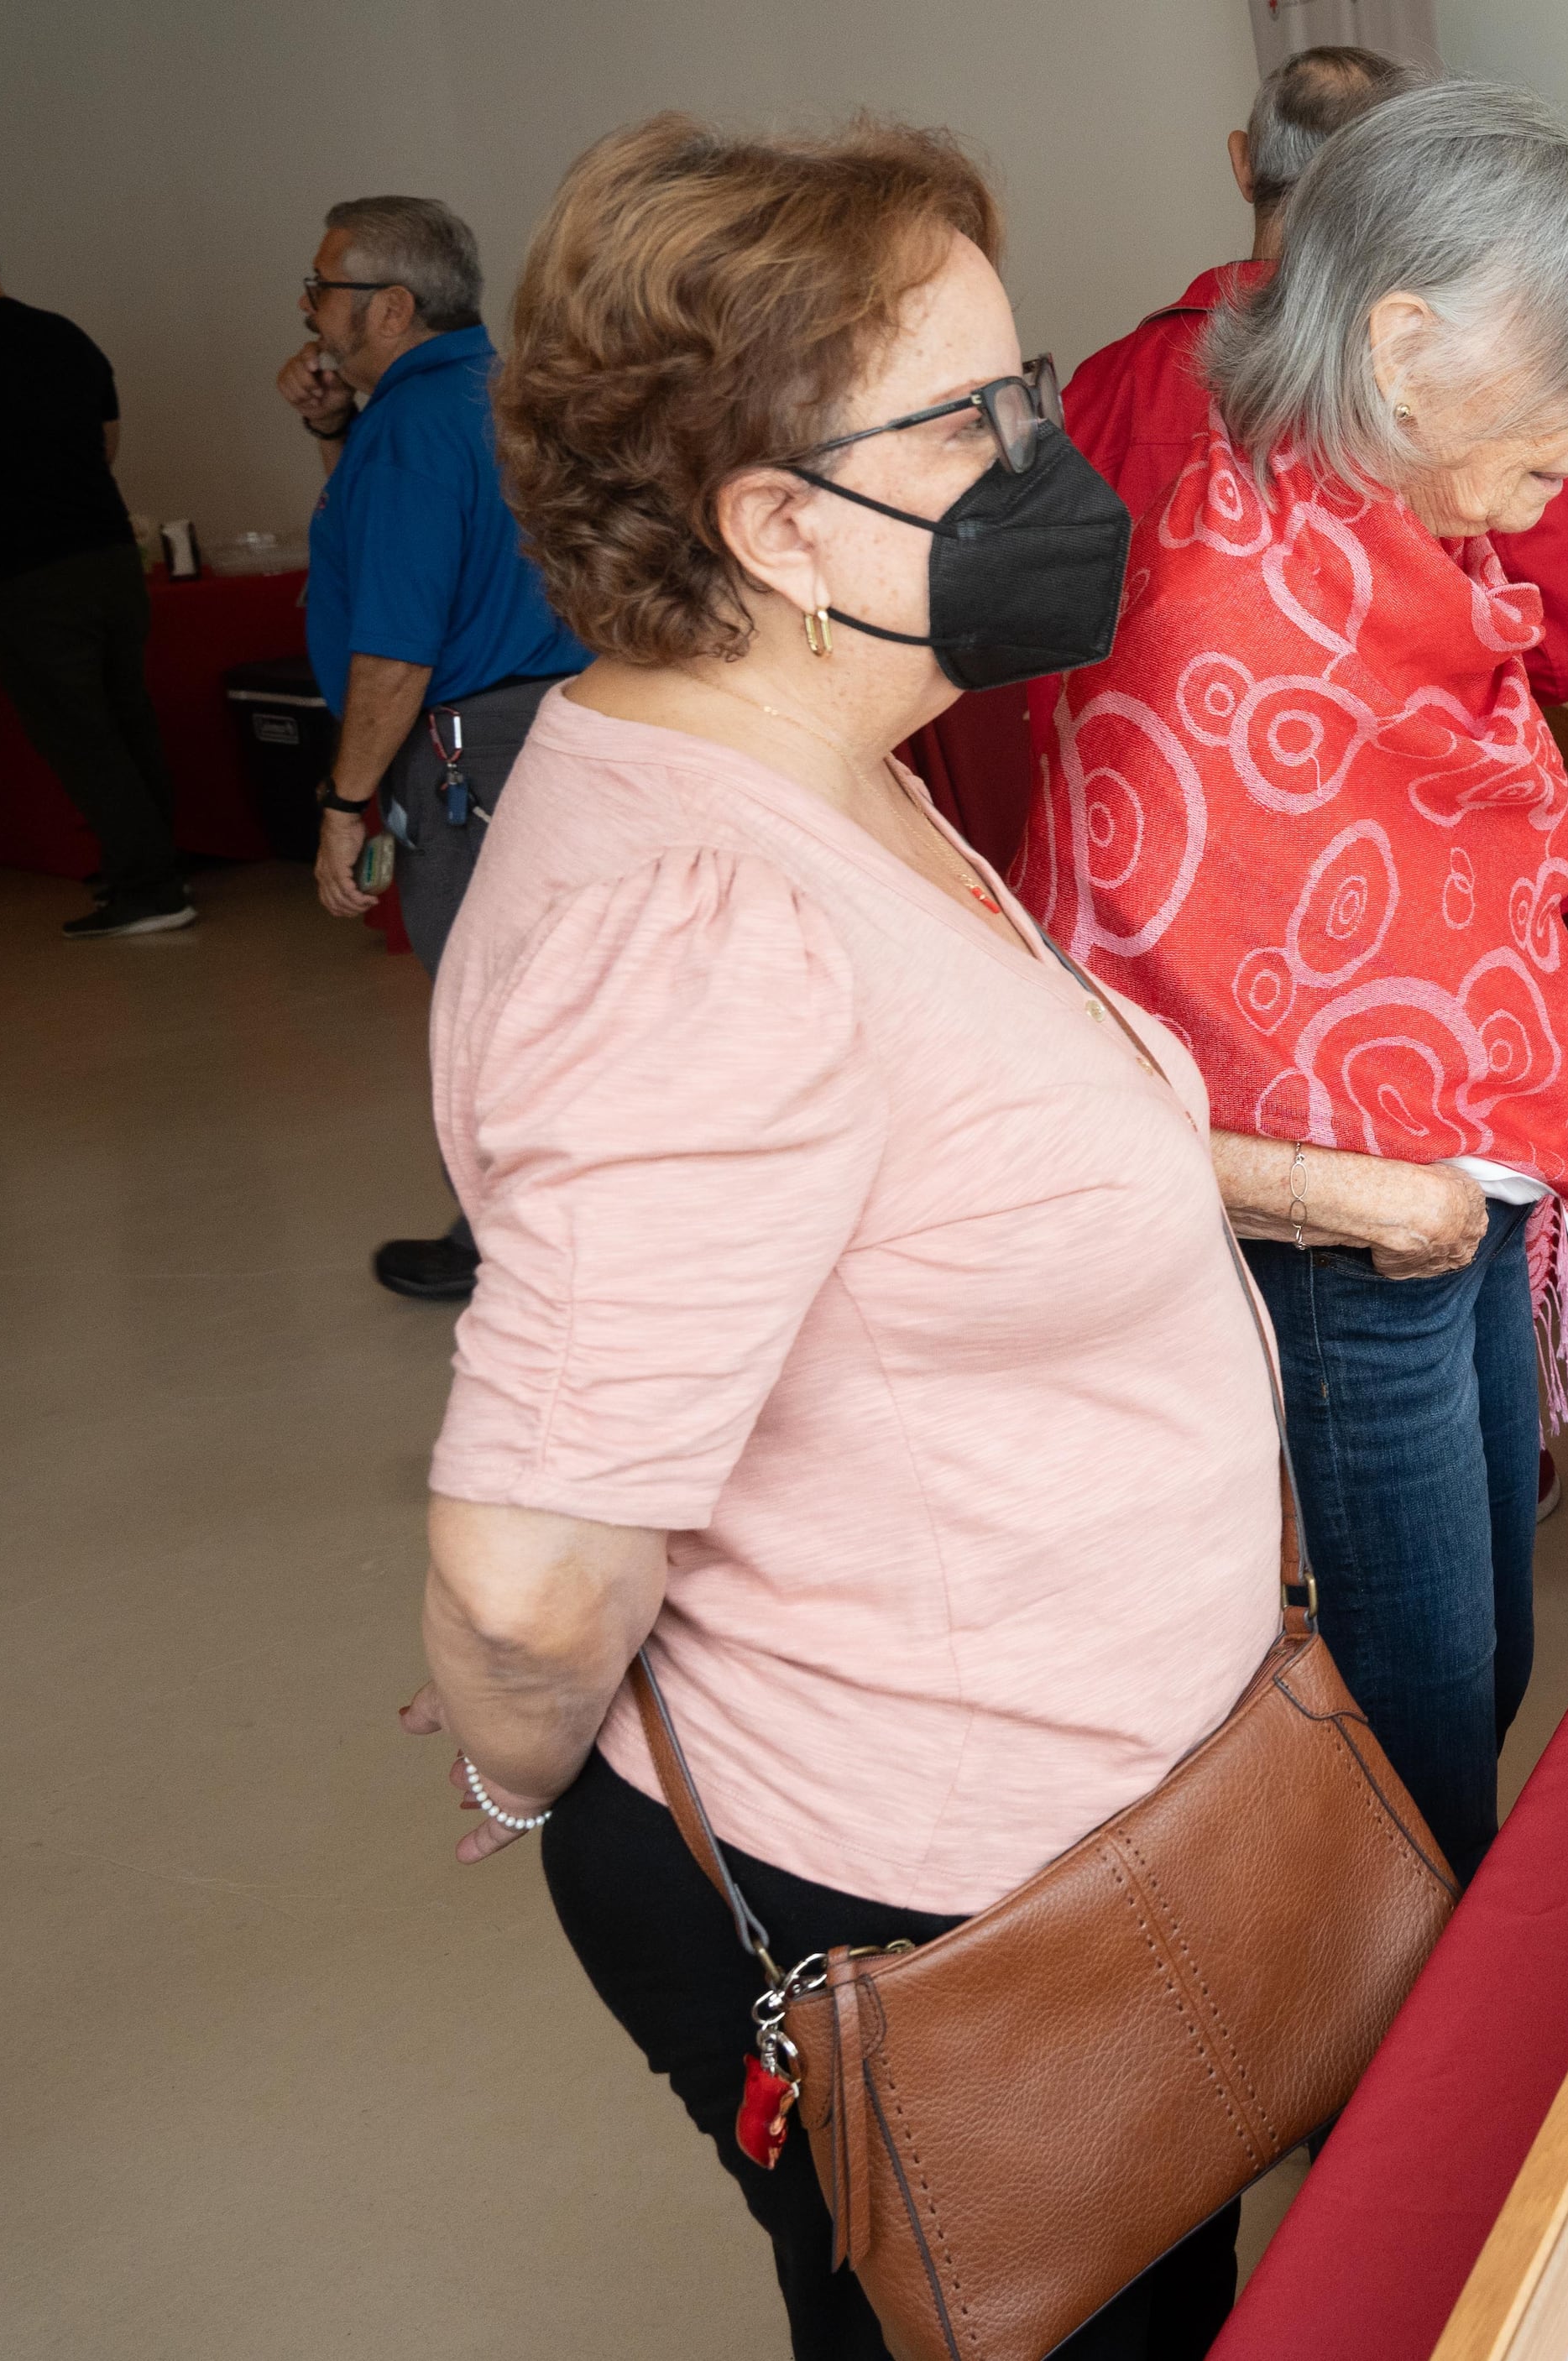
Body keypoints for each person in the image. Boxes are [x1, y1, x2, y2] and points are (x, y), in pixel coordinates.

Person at [417, 115, 1262, 2356]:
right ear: (779, 523)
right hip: (920, 1891)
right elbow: (521, 1582)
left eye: (1036, 386)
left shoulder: (828, 755)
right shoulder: (699, 926)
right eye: (979, 420)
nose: (1051, 460)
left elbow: (937, 1178)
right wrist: (526, 1749)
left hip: (1080, 1819)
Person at [1011, 83, 1568, 1878]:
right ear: (1400, 341)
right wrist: (1385, 1172)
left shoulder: (1384, 526)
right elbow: (1172, 954)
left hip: (1457, 1167)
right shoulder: (1232, 585)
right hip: (1342, 1208)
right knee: (1415, 1675)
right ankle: (1420, 2093)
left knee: (1488, 1633)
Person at [1059, 44, 1568, 707]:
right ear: (1406, 187)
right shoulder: (1439, 389)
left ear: (1242, 163)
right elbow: (1562, 656)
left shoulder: (1088, 389)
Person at [279, 196, 593, 1299]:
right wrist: (334, 430)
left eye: (324, 288)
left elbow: (396, 647)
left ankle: (513, 1253)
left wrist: (340, 801)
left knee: (489, 1007)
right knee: (558, 996)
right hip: (556, 724)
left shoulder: (411, 430)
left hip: (472, 749)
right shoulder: (496, 390)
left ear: (391, 306)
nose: (310, 311)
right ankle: (540, 1233)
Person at [0, 247, 191, 938]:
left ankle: (149, 886)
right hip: (108, 555)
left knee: (80, 735)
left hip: (26, 572)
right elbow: (106, 444)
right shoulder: (62, 334)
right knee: (127, 718)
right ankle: (154, 869)